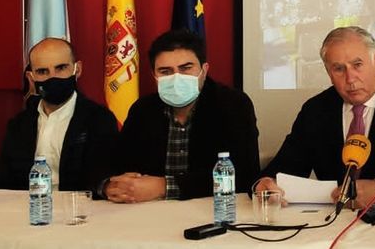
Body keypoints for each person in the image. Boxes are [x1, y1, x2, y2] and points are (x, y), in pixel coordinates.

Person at [255, 26, 375, 208]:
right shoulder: (316, 110)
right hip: (332, 220)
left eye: (357, 65)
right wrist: (265, 183)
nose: (350, 78)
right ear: (328, 73)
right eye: (339, 69)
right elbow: (286, 167)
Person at [104, 30, 259, 202]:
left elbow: (245, 175)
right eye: (165, 71)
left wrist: (164, 186)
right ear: (154, 75)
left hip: (211, 211)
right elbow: (119, 164)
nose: (176, 77)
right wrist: (111, 186)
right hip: (150, 213)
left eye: (186, 68)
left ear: (204, 70)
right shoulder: (143, 109)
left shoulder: (233, 104)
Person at [0, 37, 118, 195]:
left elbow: (101, 181)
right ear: (31, 78)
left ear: (77, 69)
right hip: (27, 210)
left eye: (61, 68)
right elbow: (2, 185)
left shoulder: (99, 119)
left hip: (79, 210)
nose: (53, 77)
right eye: (42, 71)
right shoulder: (19, 125)